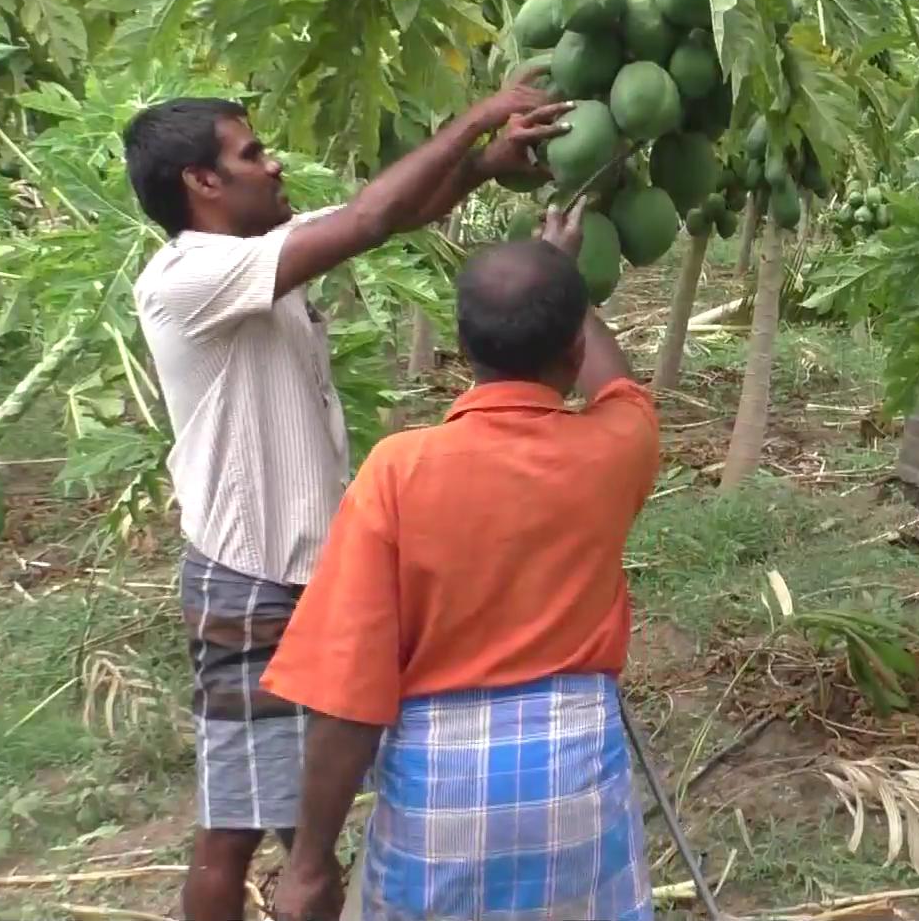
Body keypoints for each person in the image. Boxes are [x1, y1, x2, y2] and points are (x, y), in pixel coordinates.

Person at [125, 71, 573, 921]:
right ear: (202, 183)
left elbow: (391, 219)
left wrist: (480, 167)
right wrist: (477, 116)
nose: (274, 163)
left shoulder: (257, 257)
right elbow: (368, 214)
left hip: (302, 576)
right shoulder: (189, 276)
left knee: (302, 828)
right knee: (235, 830)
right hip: (251, 580)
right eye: (252, 153)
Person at [261, 210, 662, 921]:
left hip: (437, 783)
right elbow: (621, 389)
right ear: (572, 352)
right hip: (574, 777)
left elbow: (350, 688)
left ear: (460, 343)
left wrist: (310, 861)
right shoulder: (617, 448)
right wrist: (566, 277)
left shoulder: (399, 470)